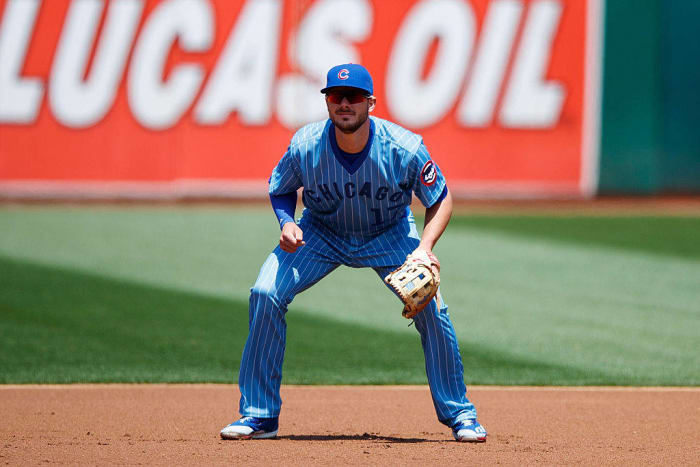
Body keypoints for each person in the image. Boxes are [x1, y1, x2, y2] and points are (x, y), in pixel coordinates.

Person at [220, 64, 486, 442]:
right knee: (265, 293)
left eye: (354, 97)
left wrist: (425, 249)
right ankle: (260, 416)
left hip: (388, 234)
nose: (344, 103)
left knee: (431, 305)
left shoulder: (403, 147)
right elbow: (280, 187)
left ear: (370, 103)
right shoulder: (305, 145)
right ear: (327, 101)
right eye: (335, 96)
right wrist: (286, 222)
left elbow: (440, 198)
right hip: (321, 233)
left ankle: (461, 415)